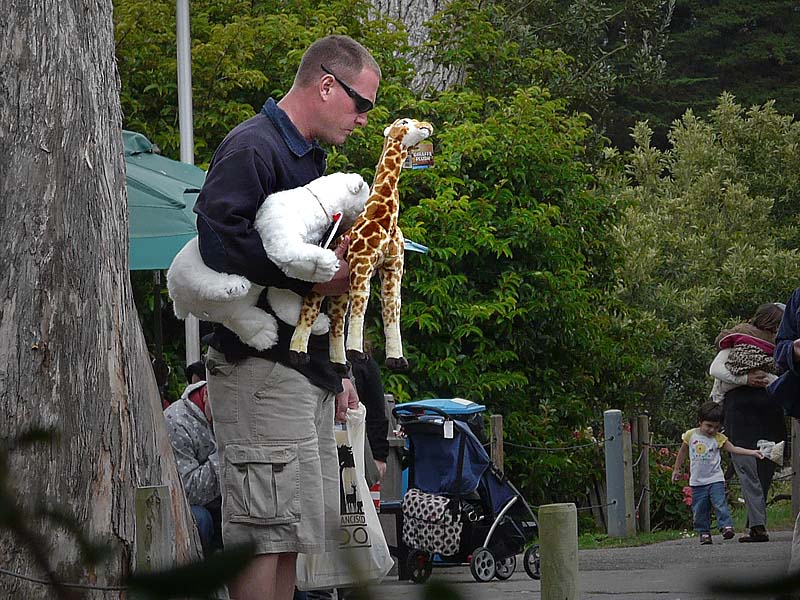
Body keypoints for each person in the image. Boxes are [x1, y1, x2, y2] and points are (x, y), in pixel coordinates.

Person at [192, 35, 380, 600]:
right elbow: (217, 241)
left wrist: (338, 369)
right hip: (257, 374)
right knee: (262, 534)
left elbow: (309, 280)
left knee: (289, 532)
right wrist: (313, 276)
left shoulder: (305, 156)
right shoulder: (254, 147)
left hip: (300, 375)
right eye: (361, 104)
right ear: (326, 85)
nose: (364, 120)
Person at [709, 302, 786, 543]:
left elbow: (717, 370)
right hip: (758, 410)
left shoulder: (740, 337)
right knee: (758, 467)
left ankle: (757, 525)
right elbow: (717, 368)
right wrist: (749, 378)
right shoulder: (763, 342)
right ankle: (757, 525)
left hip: (748, 411)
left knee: (752, 469)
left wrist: (749, 379)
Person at [672, 401, 764, 545]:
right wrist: (676, 469)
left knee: (719, 503)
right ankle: (704, 533)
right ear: (700, 422)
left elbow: (733, 449)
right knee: (700, 508)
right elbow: (682, 452)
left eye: (716, 427)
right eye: (708, 426)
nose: (711, 430)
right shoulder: (691, 435)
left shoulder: (718, 438)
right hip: (697, 481)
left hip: (715, 479)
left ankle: (726, 526)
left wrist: (752, 452)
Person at [164, 361, 222, 555]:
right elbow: (187, 491)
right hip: (188, 505)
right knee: (199, 519)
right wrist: (228, 454)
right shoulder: (176, 421)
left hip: (228, 501)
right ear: (206, 394)